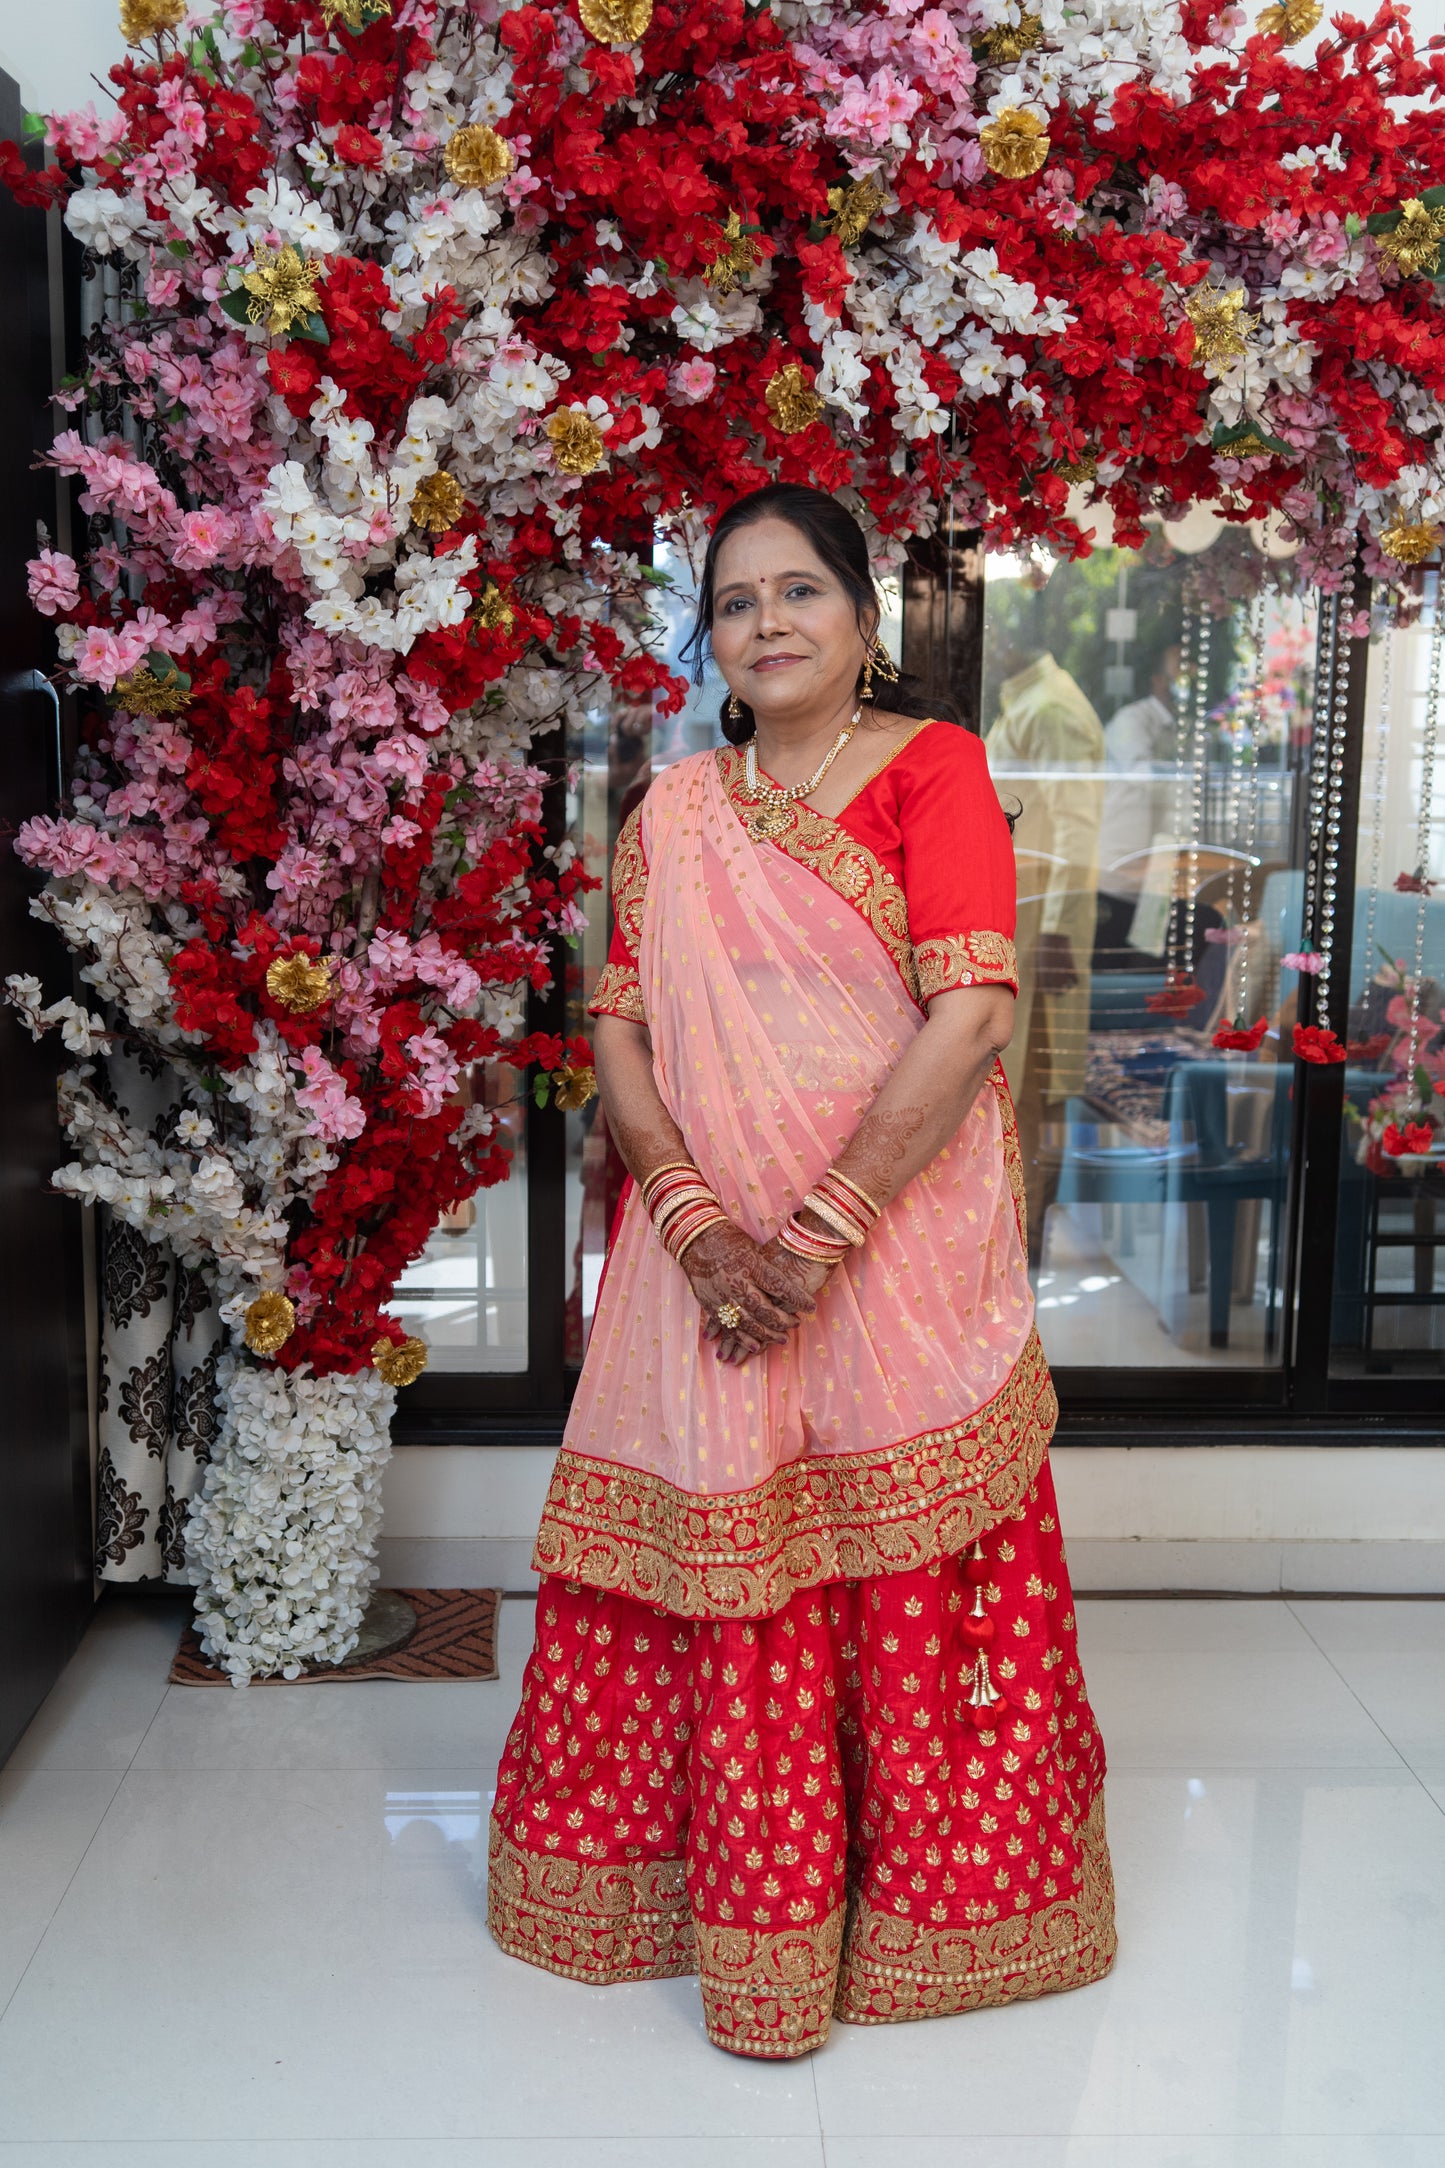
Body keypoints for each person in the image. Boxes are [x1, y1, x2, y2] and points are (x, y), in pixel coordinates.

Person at [487, 484, 1116, 2058]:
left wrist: (819, 1233)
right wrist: (698, 1224)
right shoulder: (674, 811)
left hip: (888, 1245)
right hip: (703, 1256)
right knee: (725, 1540)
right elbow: (618, 1026)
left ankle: (926, 1913)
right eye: (737, 598)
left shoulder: (934, 770)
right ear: (711, 634)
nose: (767, 622)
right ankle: (702, 1903)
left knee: (889, 1543)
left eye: (800, 593)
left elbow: (968, 1016)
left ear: (860, 618)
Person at [984, 636, 1106, 1262]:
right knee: (1014, 1085)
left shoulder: (1052, 709)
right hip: (1015, 923)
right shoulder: (1023, 704)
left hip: (1038, 932)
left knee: (1028, 1090)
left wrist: (1057, 930)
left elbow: (1077, 827)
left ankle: (1019, 1258)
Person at [1093, 642, 1183, 969]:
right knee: (1112, 963)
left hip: (1154, 874)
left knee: (1149, 966)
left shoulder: (1177, 727)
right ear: (1158, 680)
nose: (1190, 676)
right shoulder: (1132, 721)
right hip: (1118, 873)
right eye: (1181, 668)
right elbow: (1149, 778)